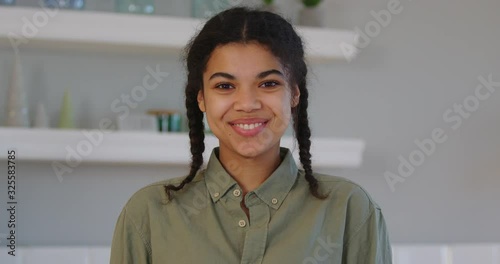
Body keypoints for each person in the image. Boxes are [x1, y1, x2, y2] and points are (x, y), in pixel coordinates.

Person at [110, 6, 392, 264]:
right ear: (201, 99)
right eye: (224, 86)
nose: (247, 104)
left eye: (268, 83)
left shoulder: (350, 210)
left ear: (294, 93)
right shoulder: (147, 214)